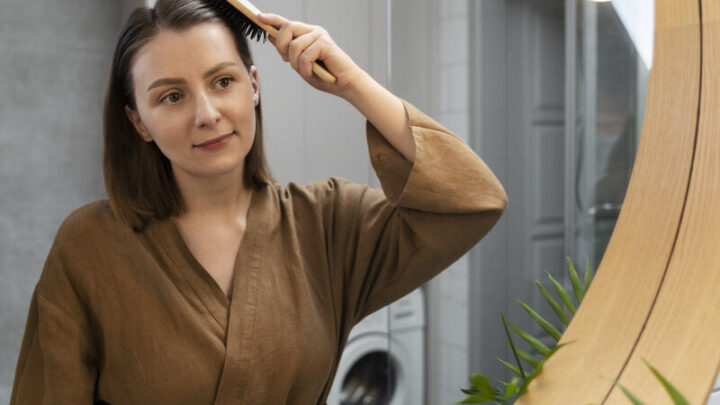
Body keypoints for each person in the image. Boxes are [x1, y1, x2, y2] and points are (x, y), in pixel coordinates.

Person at [10, 0, 507, 403]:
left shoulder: (328, 225)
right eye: (171, 97)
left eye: (223, 81)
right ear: (137, 121)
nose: (207, 114)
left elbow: (474, 200)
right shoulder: (89, 246)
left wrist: (353, 84)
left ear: (253, 86)